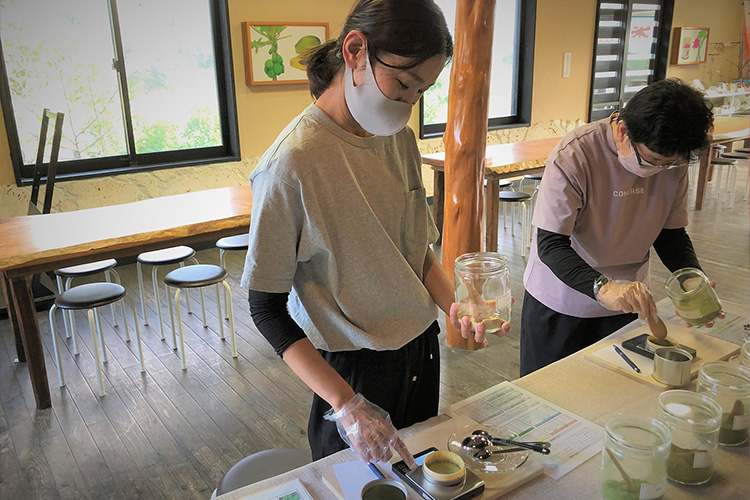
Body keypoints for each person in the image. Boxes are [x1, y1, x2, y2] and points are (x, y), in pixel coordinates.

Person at [241, 0, 509, 467]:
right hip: (351, 366)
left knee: (416, 473)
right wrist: (346, 405)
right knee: (356, 484)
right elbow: (265, 307)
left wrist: (456, 307)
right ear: (355, 51)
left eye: (421, 91)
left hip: (421, 346)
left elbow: (417, 252)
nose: (408, 103)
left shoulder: (399, 140)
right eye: (404, 83)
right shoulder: (291, 165)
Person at [520, 78, 715, 376]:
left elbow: (670, 234)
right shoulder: (575, 155)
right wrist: (603, 287)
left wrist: (689, 276)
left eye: (669, 164)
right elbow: (550, 243)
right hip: (563, 299)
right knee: (550, 391)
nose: (659, 171)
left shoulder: (673, 163)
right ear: (623, 130)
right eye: (653, 161)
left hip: (630, 300)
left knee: (615, 389)